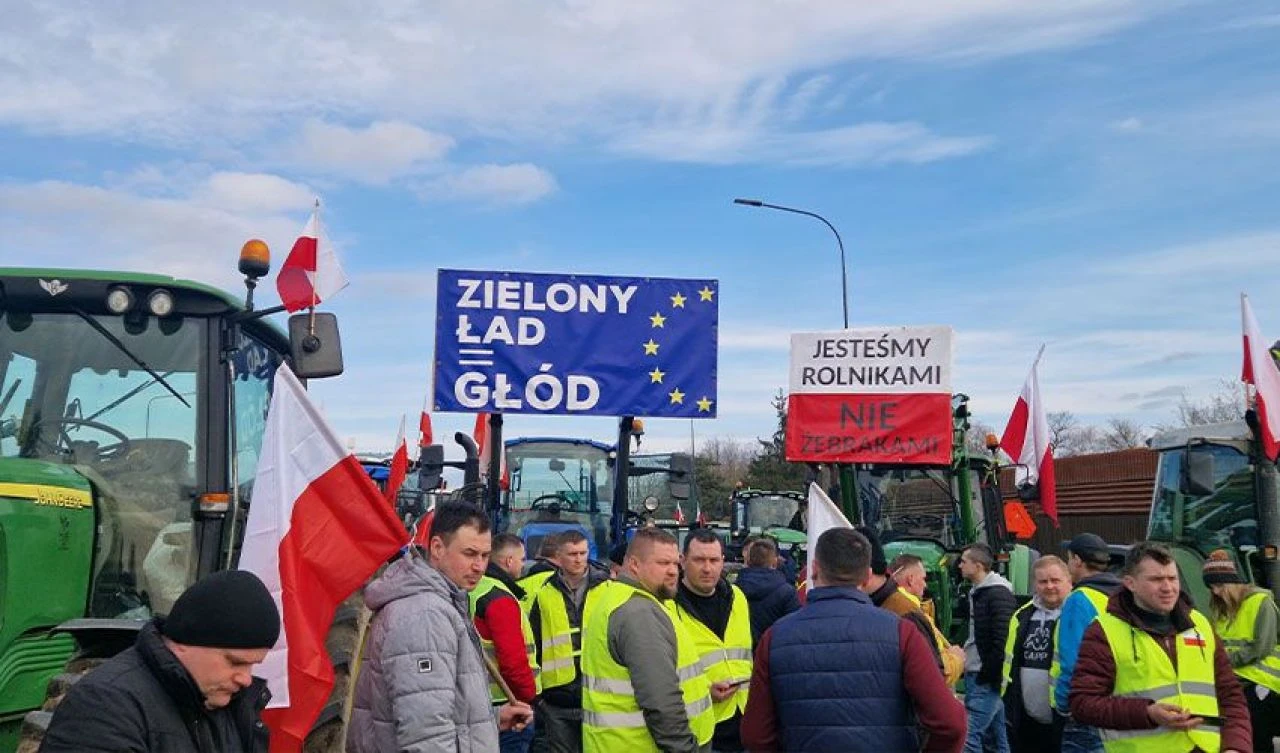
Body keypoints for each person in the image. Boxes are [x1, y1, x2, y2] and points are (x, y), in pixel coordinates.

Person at [741, 527, 965, 752]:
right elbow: (950, 724)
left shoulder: (775, 638)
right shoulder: (902, 633)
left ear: (815, 569)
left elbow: (755, 734)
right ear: (867, 576)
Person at [348, 502, 532, 753]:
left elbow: (430, 705)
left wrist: (489, 720)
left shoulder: (439, 604)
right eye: (469, 554)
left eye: (485, 555)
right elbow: (426, 734)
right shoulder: (423, 615)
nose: (479, 566)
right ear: (437, 548)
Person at [42, 570, 280, 753]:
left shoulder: (230, 708)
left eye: (252, 665)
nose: (246, 679)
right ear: (186, 641)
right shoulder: (102, 705)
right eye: (235, 662)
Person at [1069, 541, 1252, 753]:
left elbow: (1230, 696)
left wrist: (1236, 746)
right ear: (1130, 583)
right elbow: (1083, 703)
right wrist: (1147, 713)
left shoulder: (1200, 623)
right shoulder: (1104, 631)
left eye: (1172, 578)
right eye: (1156, 580)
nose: (1168, 587)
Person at [580, 526, 713, 753]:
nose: (673, 571)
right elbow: (661, 701)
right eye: (662, 564)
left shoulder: (622, 598)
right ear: (634, 564)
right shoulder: (638, 612)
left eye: (675, 564)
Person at [528, 529, 611, 753]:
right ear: (559, 556)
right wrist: (538, 696)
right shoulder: (545, 593)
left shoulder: (607, 589)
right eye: (572, 553)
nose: (579, 559)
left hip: (598, 691)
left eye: (583, 553)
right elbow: (534, 641)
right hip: (558, 695)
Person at [672, 529, 753, 753]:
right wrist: (705, 691)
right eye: (699, 560)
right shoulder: (668, 606)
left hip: (744, 720)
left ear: (723, 562)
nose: (707, 568)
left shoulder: (737, 597)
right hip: (701, 728)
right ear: (682, 561)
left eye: (714, 560)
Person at [1202, 549, 1280, 752]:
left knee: (1257, 737)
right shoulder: (1221, 609)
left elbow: (1261, 647)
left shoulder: (1261, 603)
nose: (1216, 592)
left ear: (1234, 582)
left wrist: (1223, 662)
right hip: (1234, 682)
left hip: (1260, 683)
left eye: (1219, 585)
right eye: (1211, 587)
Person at [1052, 532, 1123, 753]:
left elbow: (1073, 660)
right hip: (1121, 706)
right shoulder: (1122, 596)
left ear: (1077, 560)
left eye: (1069, 558)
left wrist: (1064, 703)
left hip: (1086, 709)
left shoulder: (1079, 599)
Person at [473, 532, 541, 753]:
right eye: (522, 559)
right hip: (508, 705)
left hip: (479, 701)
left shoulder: (475, 589)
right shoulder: (499, 598)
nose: (523, 565)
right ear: (509, 561)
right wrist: (530, 699)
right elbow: (513, 662)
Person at [857, 526, 949, 680]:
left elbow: (931, 677)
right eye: (923, 579)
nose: (925, 585)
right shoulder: (903, 611)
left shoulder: (905, 613)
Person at [1002, 555, 1070, 750]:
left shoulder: (1076, 614)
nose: (1049, 586)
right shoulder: (1022, 615)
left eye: (1055, 580)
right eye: (1043, 581)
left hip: (1066, 719)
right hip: (1025, 719)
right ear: (1035, 584)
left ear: (1069, 581)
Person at [958, 543, 1016, 753]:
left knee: (967, 737)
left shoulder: (996, 594)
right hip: (979, 672)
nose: (959, 565)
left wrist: (988, 673)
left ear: (979, 565)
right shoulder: (978, 592)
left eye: (964, 561)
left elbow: (1002, 637)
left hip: (984, 675)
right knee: (996, 737)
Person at [892, 553, 965, 686]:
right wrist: (957, 659)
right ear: (911, 579)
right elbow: (936, 674)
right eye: (924, 579)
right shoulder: (911, 614)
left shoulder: (896, 607)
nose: (926, 585)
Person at [734, 537, 800, 645]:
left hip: (740, 655)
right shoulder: (787, 592)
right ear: (775, 562)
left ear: (748, 560)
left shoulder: (733, 590)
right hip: (774, 652)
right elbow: (794, 630)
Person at [519, 533, 562, 611]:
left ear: (539, 550)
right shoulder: (558, 580)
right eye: (572, 554)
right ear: (559, 554)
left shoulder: (517, 570)